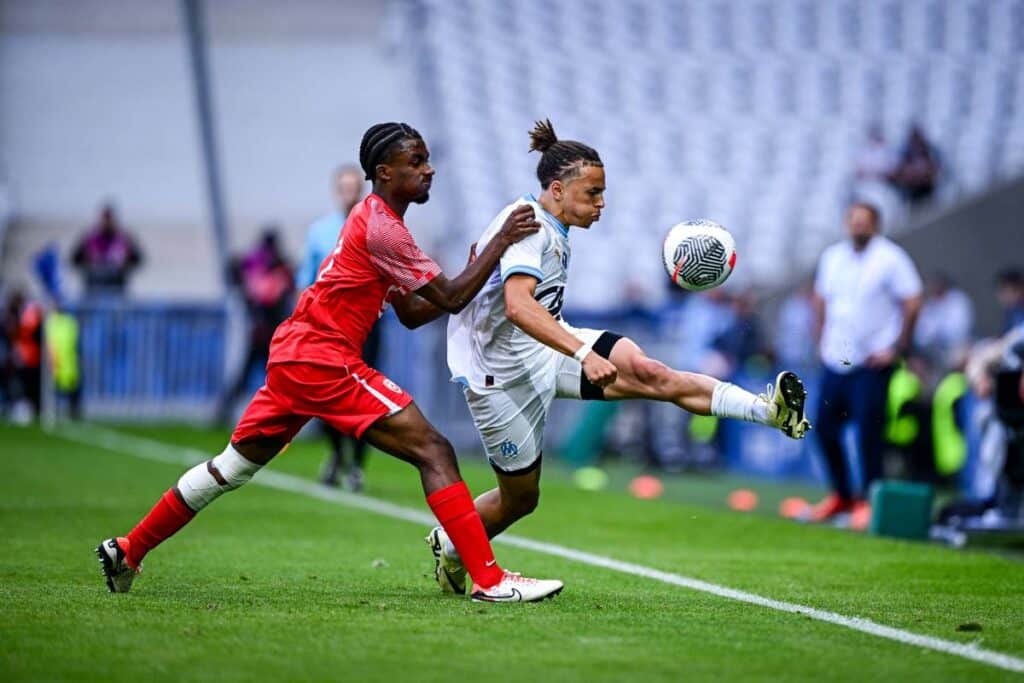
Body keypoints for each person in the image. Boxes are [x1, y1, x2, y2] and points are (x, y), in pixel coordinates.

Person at [97, 122, 563, 603]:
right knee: (434, 451)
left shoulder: (373, 219)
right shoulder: (384, 228)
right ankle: (489, 580)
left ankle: (128, 550)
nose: (429, 170)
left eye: (427, 160)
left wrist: (478, 274)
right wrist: (499, 243)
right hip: (323, 357)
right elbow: (450, 295)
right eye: (417, 161)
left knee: (230, 468)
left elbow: (411, 313)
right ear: (384, 172)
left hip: (295, 355)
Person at [430, 120, 811, 595]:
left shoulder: (550, 223)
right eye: (593, 193)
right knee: (521, 499)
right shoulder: (529, 226)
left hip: (542, 347)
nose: (602, 203)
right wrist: (583, 353)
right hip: (499, 374)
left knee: (652, 373)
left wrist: (577, 348)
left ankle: (767, 410)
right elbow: (518, 306)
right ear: (557, 190)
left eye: (603, 193)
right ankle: (453, 544)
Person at [808, 202, 923, 529]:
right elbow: (821, 299)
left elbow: (913, 300)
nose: (858, 226)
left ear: (876, 225)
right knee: (824, 428)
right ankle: (842, 494)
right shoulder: (833, 256)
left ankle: (871, 501)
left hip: (872, 360)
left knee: (869, 433)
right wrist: (819, 338)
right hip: (836, 357)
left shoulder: (891, 258)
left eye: (864, 221)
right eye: (854, 220)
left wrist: (898, 347)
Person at [296, 166, 377, 491]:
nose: (349, 194)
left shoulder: (375, 229)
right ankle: (337, 454)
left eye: (354, 188)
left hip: (364, 325)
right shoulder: (320, 231)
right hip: (327, 327)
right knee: (325, 394)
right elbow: (306, 279)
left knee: (364, 395)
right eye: (344, 188)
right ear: (336, 192)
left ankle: (356, 464)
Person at [218, 228, 295, 422]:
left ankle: (224, 412)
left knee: (266, 378)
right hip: (267, 335)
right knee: (273, 378)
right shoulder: (270, 271)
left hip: (265, 334)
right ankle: (224, 412)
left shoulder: (267, 270)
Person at [71, 203, 143, 296]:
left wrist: (126, 262)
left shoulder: (124, 238)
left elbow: (138, 259)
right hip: (94, 286)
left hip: (117, 286)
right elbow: (75, 259)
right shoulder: (90, 238)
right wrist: (86, 261)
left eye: (110, 218)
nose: (107, 222)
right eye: (105, 218)